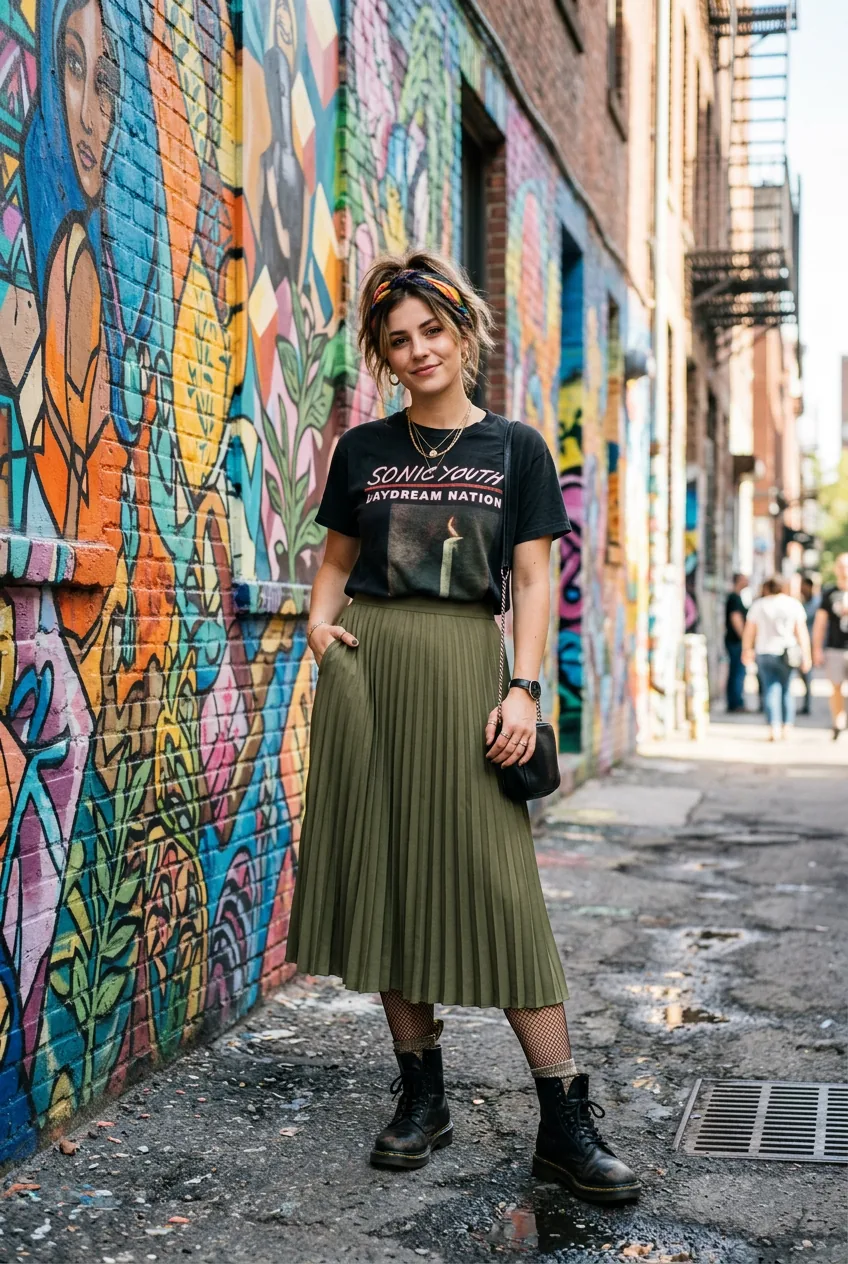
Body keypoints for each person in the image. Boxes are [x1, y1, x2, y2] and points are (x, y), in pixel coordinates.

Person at [284, 250, 640, 1205]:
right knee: (388, 878)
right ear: (384, 355)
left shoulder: (516, 449)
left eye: (432, 330)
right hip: (371, 672)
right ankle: (420, 1096)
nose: (418, 350)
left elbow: (534, 582)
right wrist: (321, 627)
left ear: (462, 330)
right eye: (398, 341)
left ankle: (563, 1120)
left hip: (468, 671)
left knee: (503, 891)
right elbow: (336, 556)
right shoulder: (363, 448)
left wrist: (524, 688)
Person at [742, 576, 812, 741]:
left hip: (765, 651)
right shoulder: (793, 604)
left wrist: (747, 649)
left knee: (770, 689)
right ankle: (787, 726)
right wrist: (806, 655)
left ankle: (774, 726)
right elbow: (801, 632)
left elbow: (749, 630)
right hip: (788, 652)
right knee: (787, 689)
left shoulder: (759, 605)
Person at [812, 553, 848, 740]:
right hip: (835, 648)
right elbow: (820, 623)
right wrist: (816, 649)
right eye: (841, 566)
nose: (844, 570)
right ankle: (838, 722)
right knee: (835, 687)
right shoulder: (830, 594)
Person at [724, 573, 749, 712]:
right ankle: (735, 703)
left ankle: (735, 701)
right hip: (735, 641)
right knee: (737, 672)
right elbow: (736, 619)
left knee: (736, 671)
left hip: (735, 641)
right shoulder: (734, 598)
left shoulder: (737, 597)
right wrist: (745, 639)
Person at [799, 575, 820, 716]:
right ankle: (806, 703)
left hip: (811, 642)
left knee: (807, 675)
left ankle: (807, 704)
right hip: (801, 643)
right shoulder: (803, 601)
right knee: (803, 675)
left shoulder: (816, 603)